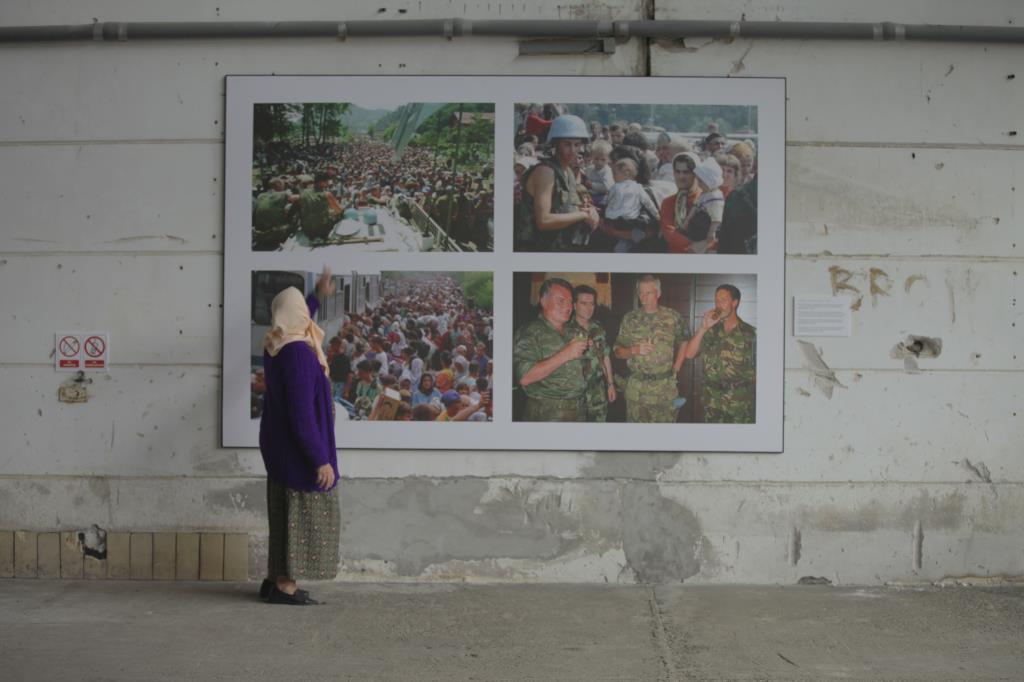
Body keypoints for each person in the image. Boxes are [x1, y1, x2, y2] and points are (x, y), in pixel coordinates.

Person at [258, 267, 340, 605]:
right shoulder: (300, 356)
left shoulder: (277, 344)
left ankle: (275, 581)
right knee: (300, 520)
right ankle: (286, 586)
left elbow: (297, 315)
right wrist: (320, 459)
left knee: (282, 516)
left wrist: (317, 295)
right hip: (298, 453)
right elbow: (303, 415)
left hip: (280, 450)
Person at [517, 115, 600, 251]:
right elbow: (543, 221)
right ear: (556, 143)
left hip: (560, 247)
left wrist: (590, 210)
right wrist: (584, 215)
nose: (573, 150)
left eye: (577, 144)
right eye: (567, 144)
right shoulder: (546, 172)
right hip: (538, 251)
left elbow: (572, 207)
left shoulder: (567, 171)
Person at [512, 278, 589, 421]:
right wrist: (566, 353)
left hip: (579, 410)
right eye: (560, 301)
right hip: (547, 413)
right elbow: (525, 377)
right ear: (543, 301)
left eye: (570, 302)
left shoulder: (574, 331)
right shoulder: (530, 332)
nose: (568, 307)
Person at [614, 275, 688, 423]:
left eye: (649, 293)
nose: (643, 297)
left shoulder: (673, 317)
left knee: (664, 440)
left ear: (658, 293)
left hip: (665, 390)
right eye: (641, 293)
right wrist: (634, 350)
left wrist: (677, 367)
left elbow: (684, 341)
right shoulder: (630, 319)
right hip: (637, 391)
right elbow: (617, 351)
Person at [681, 284, 756, 423]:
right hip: (712, 402)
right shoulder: (710, 331)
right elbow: (689, 354)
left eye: (723, 300)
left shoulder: (750, 333)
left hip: (739, 404)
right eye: (716, 300)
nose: (719, 304)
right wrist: (703, 328)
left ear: (735, 303)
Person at [598, 157, 660, 253]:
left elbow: (609, 201)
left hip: (617, 218)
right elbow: (647, 202)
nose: (613, 177)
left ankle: (624, 244)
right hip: (632, 218)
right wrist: (656, 214)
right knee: (631, 229)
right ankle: (632, 237)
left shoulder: (615, 187)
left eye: (615, 173)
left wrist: (605, 213)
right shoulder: (638, 187)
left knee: (616, 228)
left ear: (626, 173)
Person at [573, 285, 616, 422]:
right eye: (583, 303)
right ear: (574, 305)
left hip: (597, 392)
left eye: (592, 303)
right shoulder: (565, 329)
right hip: (574, 393)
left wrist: (610, 384)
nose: (589, 308)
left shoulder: (598, 328)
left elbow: (605, 356)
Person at [658, 152, 703, 254]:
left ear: (695, 174)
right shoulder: (668, 202)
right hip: (676, 259)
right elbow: (669, 233)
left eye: (686, 172)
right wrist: (696, 245)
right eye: (677, 172)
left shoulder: (706, 199)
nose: (681, 176)